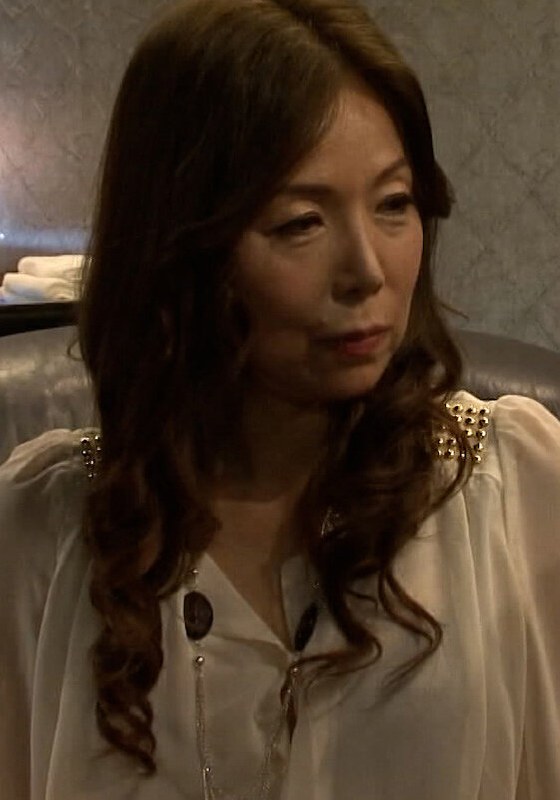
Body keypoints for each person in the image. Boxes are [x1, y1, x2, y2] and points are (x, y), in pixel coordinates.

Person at [1, 0, 559, 797]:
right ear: (180, 244)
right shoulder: (42, 533)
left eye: (394, 203)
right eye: (300, 222)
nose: (367, 270)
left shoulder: (511, 487)